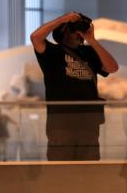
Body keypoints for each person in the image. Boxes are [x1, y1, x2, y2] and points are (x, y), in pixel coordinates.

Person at [30, 12, 119, 161]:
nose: (79, 33)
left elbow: (112, 68)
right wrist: (64, 19)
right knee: (61, 169)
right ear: (63, 32)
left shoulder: (89, 52)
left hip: (89, 124)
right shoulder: (52, 52)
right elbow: (35, 37)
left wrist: (92, 40)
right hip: (61, 125)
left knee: (88, 169)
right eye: (74, 29)